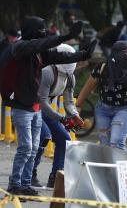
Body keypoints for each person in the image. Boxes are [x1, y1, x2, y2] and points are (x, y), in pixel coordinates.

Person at [0, 16, 95, 196]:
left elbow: (59, 56)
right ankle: (14, 184)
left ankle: (25, 185)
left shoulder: (39, 53)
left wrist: (82, 54)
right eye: (41, 29)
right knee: (26, 147)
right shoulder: (20, 47)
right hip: (21, 106)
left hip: (35, 107)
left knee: (35, 147)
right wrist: (66, 36)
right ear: (32, 31)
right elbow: (41, 44)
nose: (44, 33)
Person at [76, 41, 127, 150]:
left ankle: (118, 167)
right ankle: (107, 167)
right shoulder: (102, 68)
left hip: (125, 110)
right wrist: (77, 105)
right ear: (116, 54)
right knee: (104, 144)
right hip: (103, 111)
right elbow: (87, 87)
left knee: (116, 142)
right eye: (126, 53)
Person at [30, 44, 84, 188]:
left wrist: (74, 115)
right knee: (44, 135)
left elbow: (68, 101)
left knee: (64, 138)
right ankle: (31, 171)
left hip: (46, 111)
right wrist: (62, 118)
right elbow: (41, 102)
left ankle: (56, 177)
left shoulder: (70, 76)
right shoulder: (48, 72)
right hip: (33, 109)